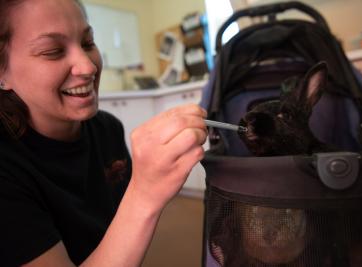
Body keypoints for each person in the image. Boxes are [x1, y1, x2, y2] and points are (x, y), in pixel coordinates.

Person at [0, 0, 207, 266]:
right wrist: (144, 193)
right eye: (53, 51)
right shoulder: (7, 167)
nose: (88, 67)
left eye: (88, 43)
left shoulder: (107, 129)